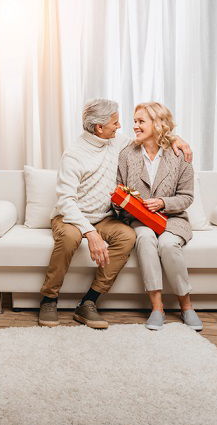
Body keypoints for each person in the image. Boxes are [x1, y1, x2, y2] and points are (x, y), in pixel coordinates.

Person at [38, 99, 192, 328]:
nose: (120, 126)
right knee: (70, 237)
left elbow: (152, 137)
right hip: (71, 217)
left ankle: (89, 302)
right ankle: (49, 299)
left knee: (128, 236)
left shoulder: (117, 142)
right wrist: (89, 233)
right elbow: (66, 202)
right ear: (99, 128)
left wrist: (177, 139)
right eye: (115, 122)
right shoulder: (74, 155)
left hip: (104, 218)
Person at [116, 102, 202, 331]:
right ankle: (157, 308)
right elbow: (120, 190)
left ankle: (186, 305)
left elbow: (187, 197)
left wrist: (164, 203)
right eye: (134, 121)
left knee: (168, 245)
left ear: (157, 123)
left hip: (173, 219)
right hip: (139, 220)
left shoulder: (179, 154)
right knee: (144, 239)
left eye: (141, 121)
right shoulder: (127, 154)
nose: (135, 126)